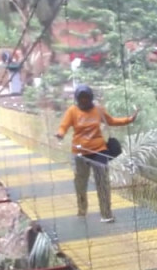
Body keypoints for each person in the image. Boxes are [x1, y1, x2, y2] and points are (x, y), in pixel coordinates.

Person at [55, 84, 138, 224]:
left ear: (91, 98)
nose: (84, 100)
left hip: (99, 150)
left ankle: (106, 214)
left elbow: (111, 121)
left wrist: (129, 120)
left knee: (103, 183)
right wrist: (60, 134)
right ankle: (82, 210)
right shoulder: (72, 111)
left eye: (86, 97)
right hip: (80, 152)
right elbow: (64, 126)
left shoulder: (98, 110)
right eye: (81, 98)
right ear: (77, 99)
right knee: (80, 183)